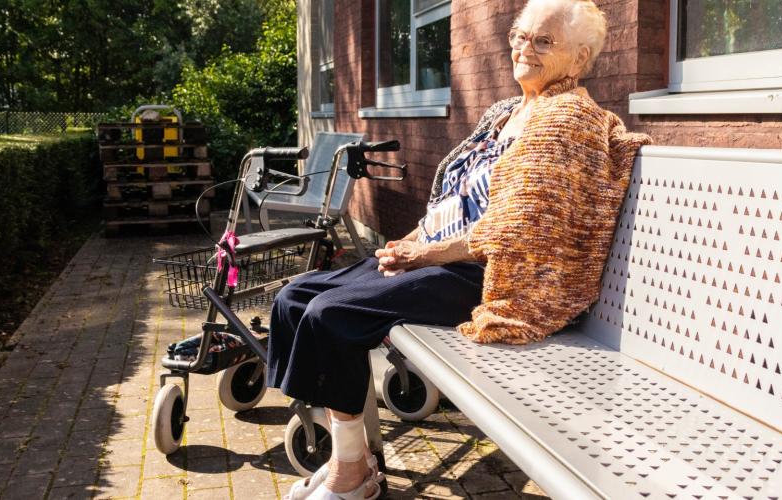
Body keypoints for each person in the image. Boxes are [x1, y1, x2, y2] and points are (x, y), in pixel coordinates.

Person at [267, 1, 650, 498]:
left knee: (330, 313)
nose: (523, 47)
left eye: (543, 40)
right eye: (519, 34)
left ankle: (351, 473)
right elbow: (453, 196)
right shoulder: (506, 112)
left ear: (578, 61)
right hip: (442, 257)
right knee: (294, 297)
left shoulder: (565, 119)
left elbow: (518, 230)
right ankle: (351, 454)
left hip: (493, 277)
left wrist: (420, 256)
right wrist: (410, 241)